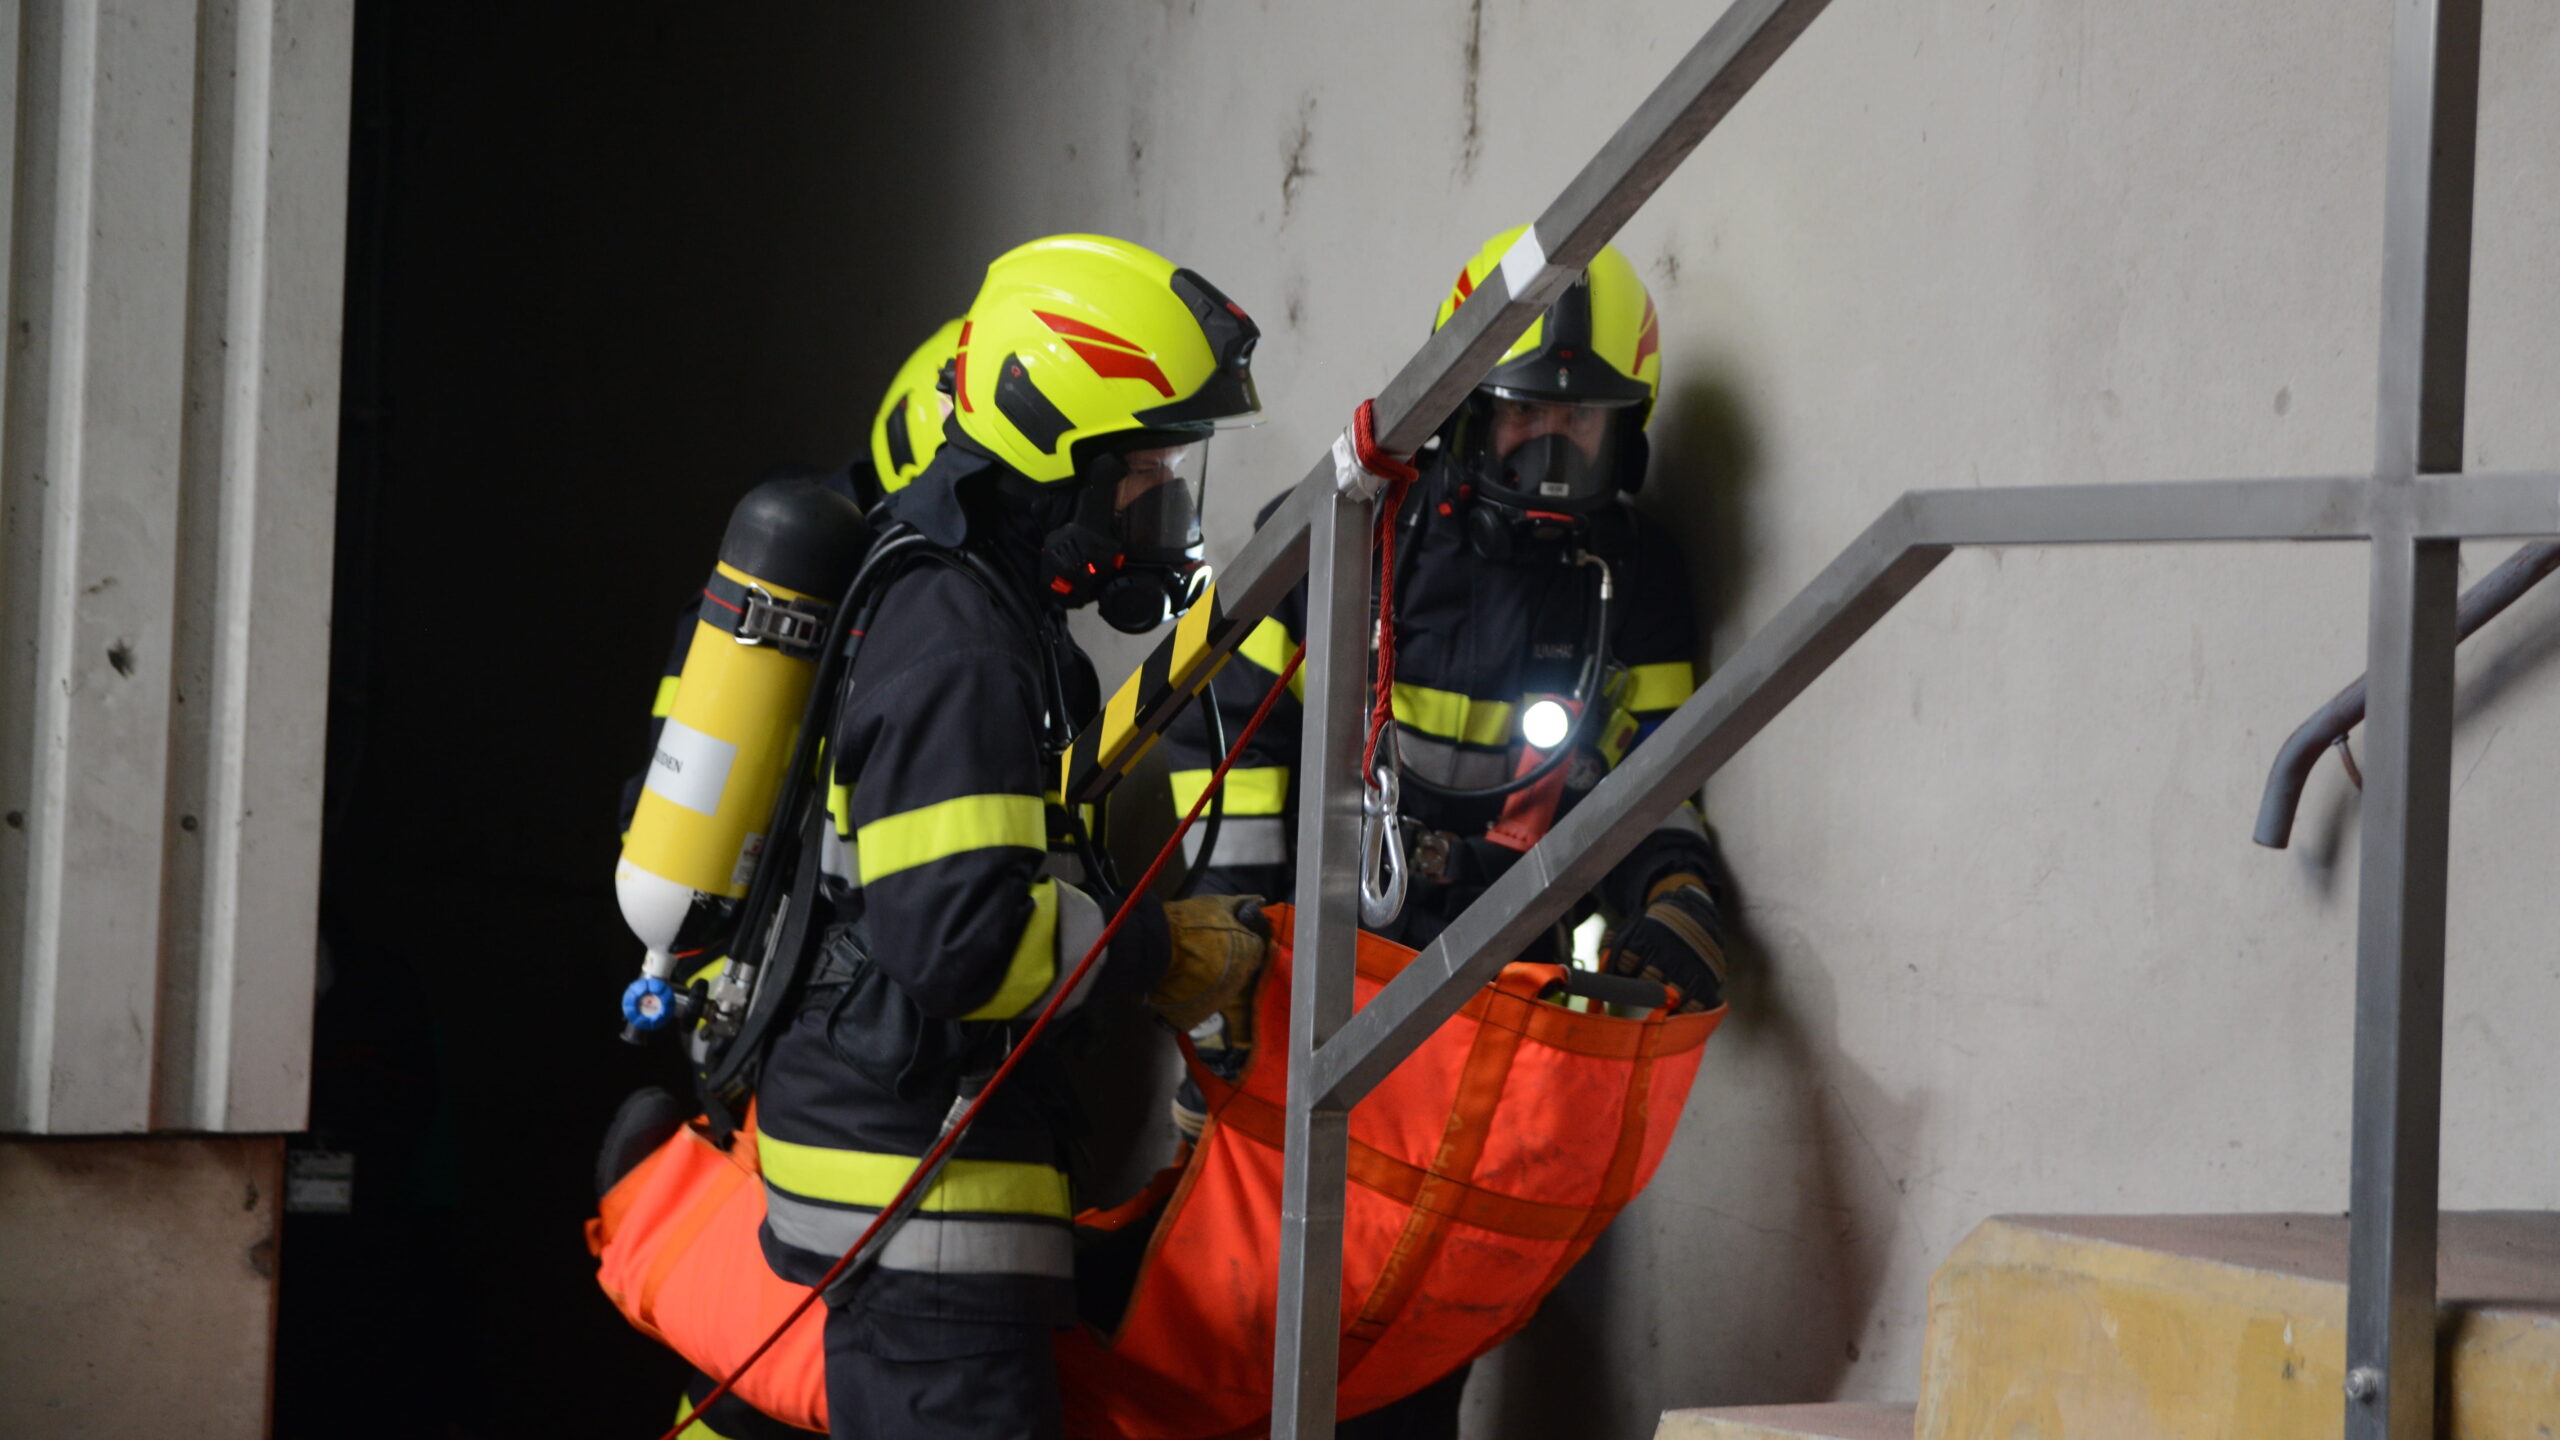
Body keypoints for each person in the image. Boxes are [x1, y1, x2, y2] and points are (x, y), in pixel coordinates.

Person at [1161, 225, 1737, 1437]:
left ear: (1627, 435)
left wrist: (1676, 891)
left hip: (1485, 1006)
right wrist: (1237, 947)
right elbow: (1223, 739)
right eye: (1523, 414)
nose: (1547, 446)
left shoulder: (1637, 580)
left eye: (1578, 423)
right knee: (1226, 1309)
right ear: (1469, 410)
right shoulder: (1346, 525)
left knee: (1416, 1327)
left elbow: (1653, 777)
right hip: (1299, 983)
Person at [743, 233, 1274, 1440]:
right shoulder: (961, 643)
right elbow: (960, 943)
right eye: (1145, 466)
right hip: (922, 1208)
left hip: (920, 1190)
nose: (1167, 499)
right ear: (1054, 448)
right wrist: (1159, 954)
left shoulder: (983, 617)